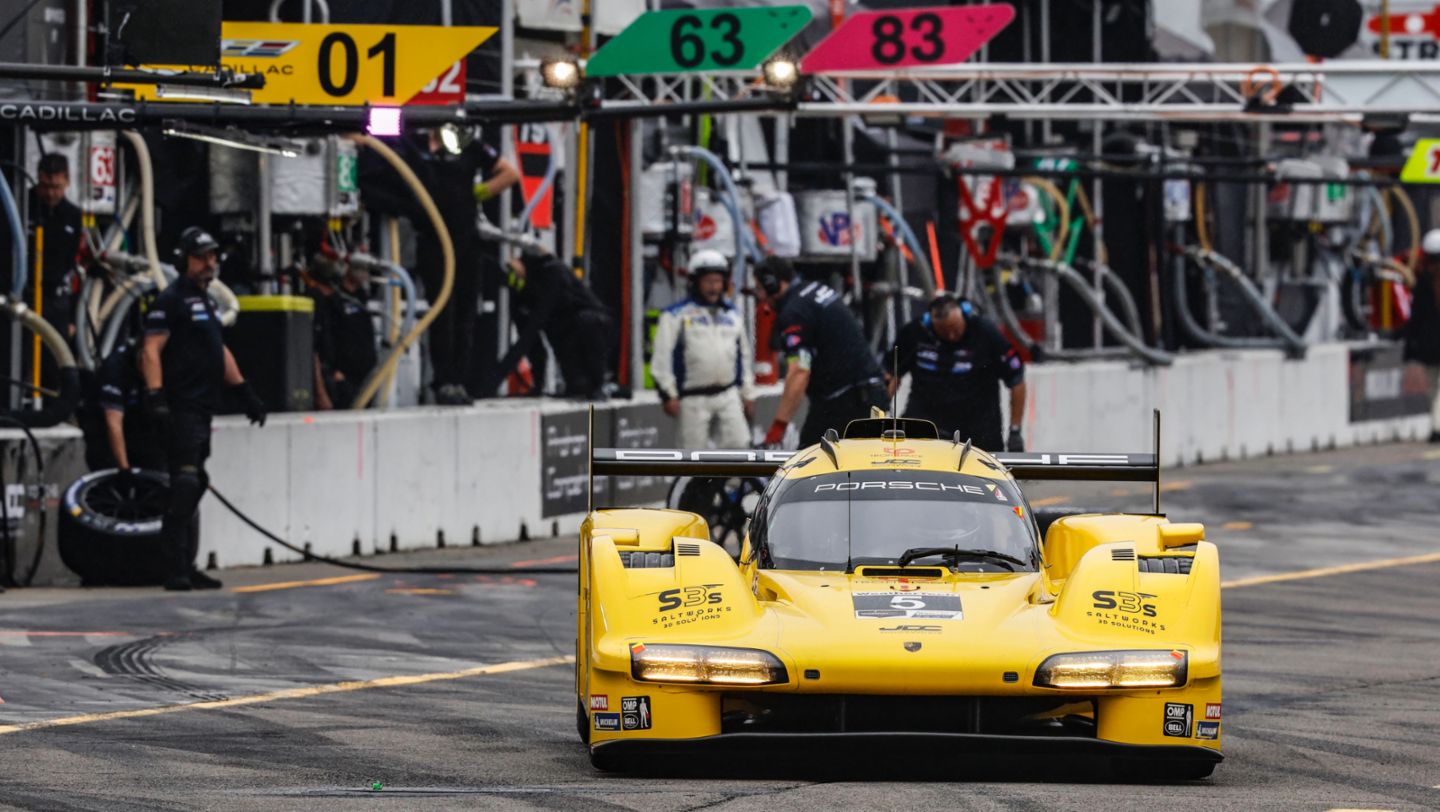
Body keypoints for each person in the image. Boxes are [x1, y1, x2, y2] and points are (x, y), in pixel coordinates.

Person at [140, 227, 267, 591]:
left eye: (213, 256)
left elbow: (218, 351)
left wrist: (244, 392)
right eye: (202, 257)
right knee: (185, 482)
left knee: (196, 482)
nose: (210, 263)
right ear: (184, 260)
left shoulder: (207, 301)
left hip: (203, 406)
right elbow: (151, 349)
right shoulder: (172, 299)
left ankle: (186, 563)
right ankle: (174, 568)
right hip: (181, 406)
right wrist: (156, 396)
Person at [412, 127, 519, 404]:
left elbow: (510, 173)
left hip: (466, 239)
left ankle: (458, 380)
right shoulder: (415, 143)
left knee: (465, 312)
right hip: (432, 238)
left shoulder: (466, 143)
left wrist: (477, 193)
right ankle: (443, 380)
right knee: (441, 312)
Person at [753, 257, 886, 447]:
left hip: (847, 402)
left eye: (759, 289)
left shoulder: (794, 312)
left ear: (772, 284)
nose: (761, 297)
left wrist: (778, 426)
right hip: (869, 394)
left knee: (808, 465)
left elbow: (799, 371)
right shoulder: (814, 290)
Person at [888, 294, 1027, 452]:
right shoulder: (914, 333)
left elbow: (1017, 380)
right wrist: (883, 413)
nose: (952, 336)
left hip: (979, 433)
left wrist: (1015, 431)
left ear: (964, 316)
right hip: (926, 428)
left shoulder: (985, 332)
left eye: (955, 330)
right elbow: (891, 375)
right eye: (944, 332)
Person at [650, 250, 756, 448]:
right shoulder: (675, 315)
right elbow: (661, 357)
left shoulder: (732, 315)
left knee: (740, 448)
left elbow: (744, 356)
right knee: (692, 459)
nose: (713, 287)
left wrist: (747, 393)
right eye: (708, 281)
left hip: (728, 394)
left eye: (718, 281)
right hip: (692, 398)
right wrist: (668, 393)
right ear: (695, 282)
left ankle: (729, 482)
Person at [487, 251, 614, 399]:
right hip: (564, 335)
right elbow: (531, 343)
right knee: (579, 386)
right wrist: (536, 386)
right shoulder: (519, 295)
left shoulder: (551, 272)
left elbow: (532, 329)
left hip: (590, 327)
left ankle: (599, 382)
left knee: (585, 320)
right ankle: (580, 383)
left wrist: (494, 380)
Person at [309, 255, 378, 410]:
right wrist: (326, 385)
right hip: (341, 379)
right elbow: (319, 345)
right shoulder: (328, 300)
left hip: (366, 377)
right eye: (360, 268)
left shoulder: (360, 297)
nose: (365, 273)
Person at [1405, 229, 1440, 443]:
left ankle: (1436, 425)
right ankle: (1437, 427)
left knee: (1433, 387)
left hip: (1429, 345)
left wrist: (1411, 348)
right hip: (1433, 343)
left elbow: (1414, 317)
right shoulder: (1424, 282)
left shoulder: (1421, 280)